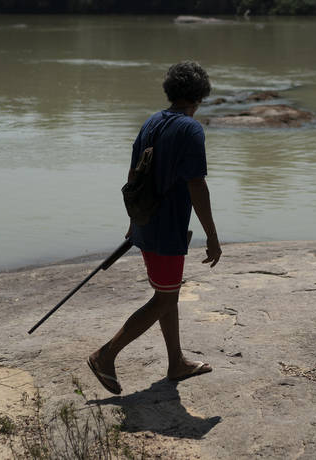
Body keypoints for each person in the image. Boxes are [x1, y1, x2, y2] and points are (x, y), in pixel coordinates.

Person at [87, 61, 222, 395]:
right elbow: (197, 186)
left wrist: (133, 224)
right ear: (200, 96)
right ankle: (105, 355)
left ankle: (176, 362)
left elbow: (133, 176)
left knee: (168, 294)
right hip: (166, 227)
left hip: (146, 223)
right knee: (164, 298)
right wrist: (213, 236)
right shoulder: (191, 130)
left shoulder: (151, 122)